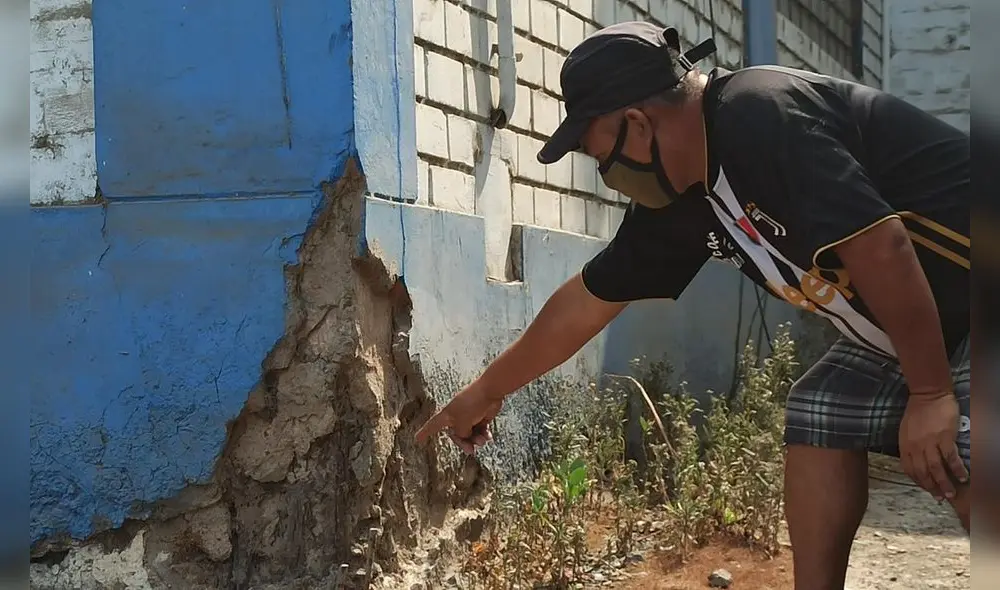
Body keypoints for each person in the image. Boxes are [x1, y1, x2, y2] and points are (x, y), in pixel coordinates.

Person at [415, 21, 970, 590]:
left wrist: (930, 394)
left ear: (637, 124)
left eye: (599, 155)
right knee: (820, 410)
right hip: (920, 320)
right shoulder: (684, 196)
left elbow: (881, 246)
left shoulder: (760, 115)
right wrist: (486, 391)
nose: (606, 177)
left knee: (966, 448)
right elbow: (587, 301)